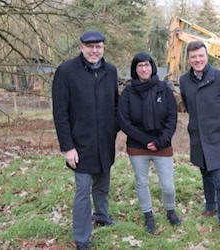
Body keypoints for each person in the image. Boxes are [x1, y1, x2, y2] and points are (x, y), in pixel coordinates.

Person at [52, 30, 119, 250]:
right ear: (81, 47)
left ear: (103, 48)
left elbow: (115, 106)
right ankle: (82, 238)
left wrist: (116, 132)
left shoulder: (110, 71)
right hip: (80, 145)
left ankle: (101, 215)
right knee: (83, 190)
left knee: (102, 183)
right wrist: (68, 147)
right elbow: (60, 113)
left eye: (98, 46)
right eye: (89, 46)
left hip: (105, 143)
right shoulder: (66, 71)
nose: (94, 50)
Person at [118, 52, 181, 234]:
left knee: (168, 185)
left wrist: (160, 141)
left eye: (147, 65)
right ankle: (148, 215)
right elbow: (124, 121)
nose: (144, 69)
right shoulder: (128, 92)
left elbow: (172, 118)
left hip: (162, 144)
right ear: (135, 69)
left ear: (152, 67)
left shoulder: (164, 89)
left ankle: (170, 210)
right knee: (142, 182)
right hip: (138, 146)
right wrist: (147, 141)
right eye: (140, 66)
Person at [179, 41, 220, 235]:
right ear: (189, 59)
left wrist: (218, 123)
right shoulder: (184, 80)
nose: (197, 60)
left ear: (207, 56)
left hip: (217, 137)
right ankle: (210, 207)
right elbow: (187, 104)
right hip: (197, 137)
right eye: (193, 57)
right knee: (205, 175)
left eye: (200, 56)